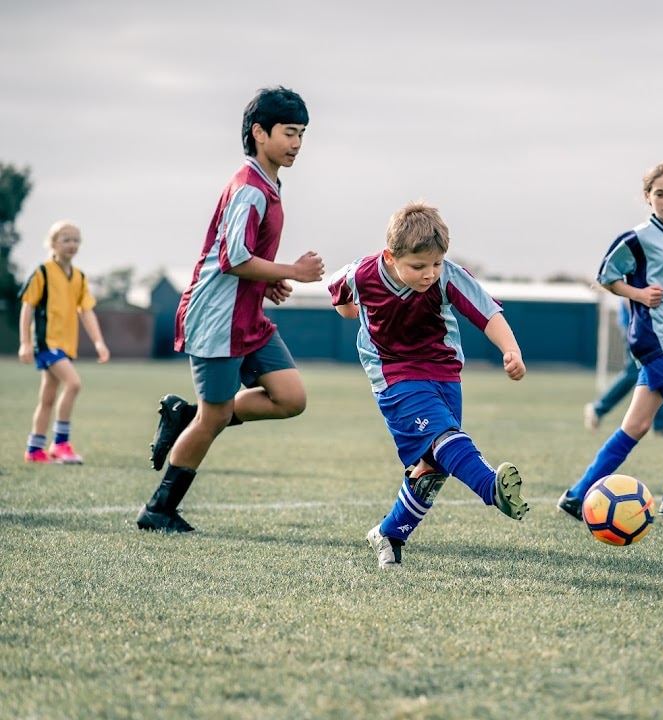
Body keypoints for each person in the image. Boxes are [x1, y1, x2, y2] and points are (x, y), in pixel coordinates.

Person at [136, 86, 325, 532]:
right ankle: (157, 510)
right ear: (259, 132)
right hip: (216, 319)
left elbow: (241, 257)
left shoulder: (269, 184)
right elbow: (232, 260)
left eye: (302, 134)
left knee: (291, 399)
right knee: (215, 417)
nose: (297, 144)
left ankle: (184, 417)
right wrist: (293, 271)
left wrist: (270, 281)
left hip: (247, 316)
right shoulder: (250, 190)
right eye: (288, 133)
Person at [328, 201, 529, 569]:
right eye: (418, 266)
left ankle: (389, 533)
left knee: (434, 466)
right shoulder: (362, 274)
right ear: (390, 256)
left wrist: (511, 350)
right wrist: (350, 310)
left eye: (435, 264)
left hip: (444, 373)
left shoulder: (448, 276)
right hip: (393, 374)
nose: (429, 274)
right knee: (444, 437)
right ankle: (490, 489)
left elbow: (487, 312)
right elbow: (337, 291)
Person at [557, 162, 663, 523]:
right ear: (647, 197)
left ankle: (577, 495)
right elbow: (605, 277)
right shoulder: (637, 237)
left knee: (636, 426)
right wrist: (639, 293)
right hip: (653, 336)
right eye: (659, 194)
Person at [17, 220, 110, 464]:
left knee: (48, 397)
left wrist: (99, 342)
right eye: (66, 239)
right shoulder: (43, 272)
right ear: (53, 244)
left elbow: (87, 311)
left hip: (67, 346)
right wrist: (25, 342)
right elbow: (27, 307)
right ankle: (60, 444)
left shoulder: (79, 277)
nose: (72, 244)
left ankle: (34, 449)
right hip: (47, 343)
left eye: (76, 239)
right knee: (73, 383)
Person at [584, 298, 663, 436]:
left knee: (662, 371)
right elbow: (626, 293)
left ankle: (660, 425)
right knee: (634, 372)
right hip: (637, 326)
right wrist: (641, 320)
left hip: (655, 326)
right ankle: (598, 408)